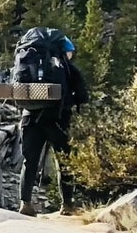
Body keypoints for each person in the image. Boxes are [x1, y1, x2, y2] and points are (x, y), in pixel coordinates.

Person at [19, 35, 89, 215]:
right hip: (57, 120)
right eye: (70, 52)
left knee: (29, 161)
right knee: (64, 162)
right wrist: (66, 101)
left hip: (29, 119)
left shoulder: (27, 66)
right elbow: (83, 96)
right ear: (65, 51)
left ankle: (25, 203)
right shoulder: (68, 69)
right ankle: (67, 205)